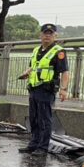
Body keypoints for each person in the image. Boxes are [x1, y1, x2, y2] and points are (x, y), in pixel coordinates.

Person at [18, 22, 69, 155]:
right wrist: (26, 72)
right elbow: (34, 66)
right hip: (34, 88)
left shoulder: (59, 51)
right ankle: (34, 144)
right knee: (33, 117)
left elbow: (65, 72)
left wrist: (64, 89)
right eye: (45, 33)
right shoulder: (36, 50)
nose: (47, 36)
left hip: (46, 89)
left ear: (55, 36)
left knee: (44, 119)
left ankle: (43, 147)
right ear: (40, 35)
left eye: (50, 34)